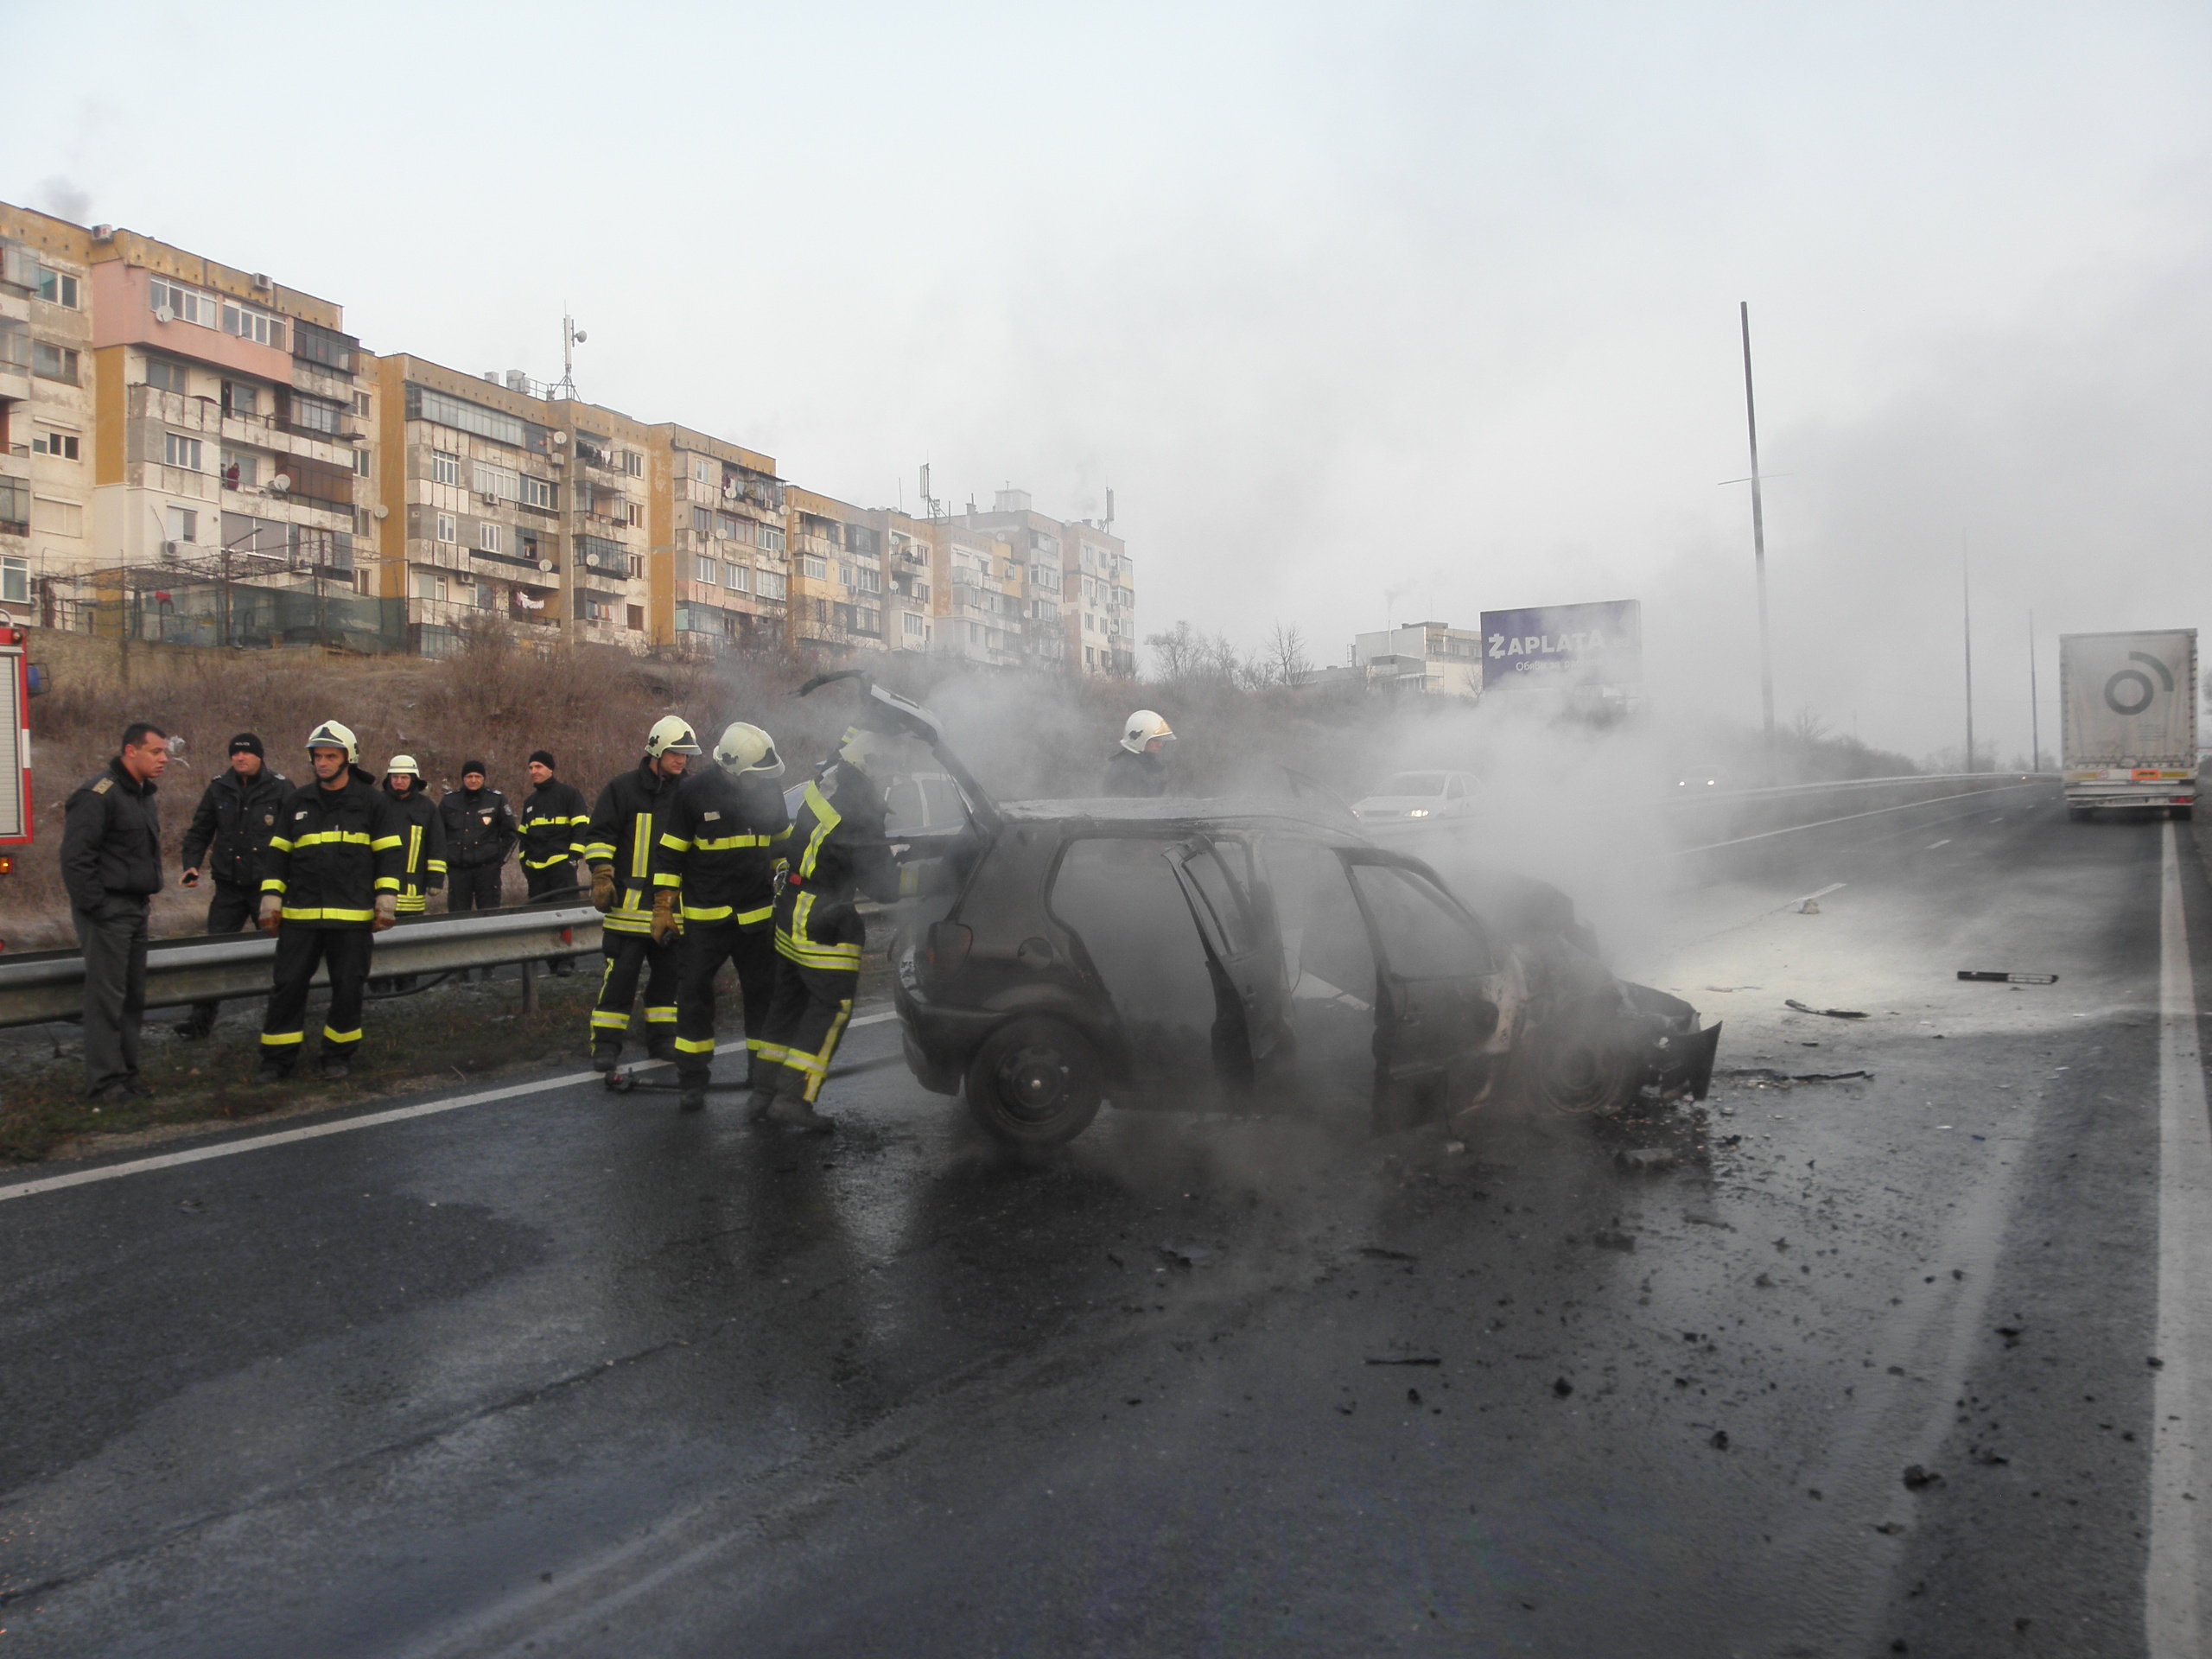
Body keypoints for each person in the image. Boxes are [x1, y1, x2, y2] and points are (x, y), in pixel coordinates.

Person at [749, 725, 908, 1133]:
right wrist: (924, 872)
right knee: (831, 1007)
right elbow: (885, 887)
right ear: (869, 766)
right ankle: (794, 1098)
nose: (890, 778)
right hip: (822, 919)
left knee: (787, 1004)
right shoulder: (861, 808)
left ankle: (763, 1094)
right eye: (887, 770)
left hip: (790, 906)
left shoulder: (829, 781)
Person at [653, 721, 792, 1113]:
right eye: (752, 775)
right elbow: (671, 855)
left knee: (763, 997)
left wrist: (789, 882)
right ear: (731, 767)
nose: (759, 782)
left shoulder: (768, 788)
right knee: (694, 996)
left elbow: (782, 846)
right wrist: (664, 904)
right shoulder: (692, 794)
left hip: (757, 916)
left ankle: (761, 1077)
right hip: (705, 920)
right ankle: (693, 1080)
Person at [257, 721, 403, 1082]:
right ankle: (277, 1060)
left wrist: (386, 899)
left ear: (348, 759)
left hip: (351, 915)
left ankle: (337, 1055)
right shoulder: (297, 800)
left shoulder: (372, 802)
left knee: (348, 986)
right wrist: (270, 899)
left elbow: (389, 854)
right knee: (288, 985)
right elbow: (278, 855)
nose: (321, 763)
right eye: (317, 756)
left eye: (330, 756)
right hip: (300, 914)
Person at [581, 716, 700, 1070]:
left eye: (687, 755)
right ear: (656, 749)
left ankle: (662, 1040)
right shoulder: (622, 789)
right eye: (676, 753)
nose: (682, 761)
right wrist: (602, 874)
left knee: (668, 980)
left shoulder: (690, 794)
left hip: (671, 908)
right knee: (619, 979)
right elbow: (599, 835)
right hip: (627, 911)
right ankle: (606, 1045)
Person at [61, 722, 168, 1099]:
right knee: (107, 1000)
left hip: (135, 909)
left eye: (164, 752)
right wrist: (98, 907)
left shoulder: (142, 796)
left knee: (131, 998)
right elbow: (76, 859)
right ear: (130, 751)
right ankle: (105, 1083)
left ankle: (126, 1076)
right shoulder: (98, 794)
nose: (164, 759)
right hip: (108, 911)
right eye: (155, 752)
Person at [175, 732, 290, 1039]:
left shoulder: (280, 788)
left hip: (267, 889)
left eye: (246, 754)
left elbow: (296, 835)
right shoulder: (219, 788)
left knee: (283, 953)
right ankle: (199, 1024)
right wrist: (191, 863)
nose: (239, 758)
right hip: (228, 888)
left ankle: (284, 1019)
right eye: (235, 754)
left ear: (259, 757)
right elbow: (199, 831)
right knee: (213, 955)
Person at [518, 749, 588, 975]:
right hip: (536, 871)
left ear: (550, 769)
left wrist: (573, 858)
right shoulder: (530, 802)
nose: (533, 772)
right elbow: (523, 837)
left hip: (561, 867)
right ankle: (550, 961)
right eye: (530, 768)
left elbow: (581, 828)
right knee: (541, 917)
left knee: (564, 915)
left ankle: (566, 960)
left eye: (538, 767)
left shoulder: (569, 795)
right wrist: (525, 863)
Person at [440, 760, 517, 913]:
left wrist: (498, 861)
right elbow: (438, 834)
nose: (473, 780)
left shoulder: (496, 800)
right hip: (458, 871)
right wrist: (446, 861)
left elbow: (511, 834)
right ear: (463, 778)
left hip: (487, 871)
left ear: (484, 779)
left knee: (490, 917)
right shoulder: (449, 801)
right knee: (457, 919)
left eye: (478, 776)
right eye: (469, 776)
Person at [1103, 709, 1174, 797]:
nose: (1160, 745)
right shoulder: (1125, 772)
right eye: (1155, 740)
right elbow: (1130, 808)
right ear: (1140, 740)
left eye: (1160, 740)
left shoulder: (1148, 766)